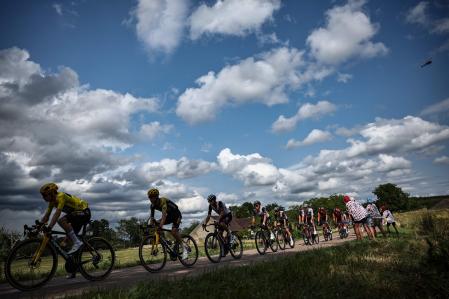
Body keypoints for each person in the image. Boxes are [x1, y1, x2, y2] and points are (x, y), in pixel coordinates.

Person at [39, 183, 91, 279]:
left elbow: (57, 214)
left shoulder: (61, 196)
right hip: (76, 215)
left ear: (51, 193)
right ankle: (74, 268)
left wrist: (50, 227)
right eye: (42, 196)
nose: (43, 198)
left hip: (84, 212)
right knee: (69, 242)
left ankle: (77, 242)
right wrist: (39, 226)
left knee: (61, 220)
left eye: (44, 195)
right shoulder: (52, 202)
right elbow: (47, 216)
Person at [147, 188, 188, 260]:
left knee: (174, 231)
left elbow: (163, 216)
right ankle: (167, 242)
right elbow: (152, 218)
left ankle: (184, 249)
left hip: (176, 214)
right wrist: (150, 226)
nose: (152, 199)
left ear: (157, 197)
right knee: (157, 224)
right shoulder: (152, 206)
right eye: (150, 197)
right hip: (169, 215)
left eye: (153, 197)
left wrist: (160, 225)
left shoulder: (162, 201)